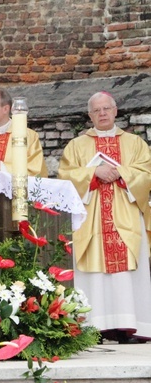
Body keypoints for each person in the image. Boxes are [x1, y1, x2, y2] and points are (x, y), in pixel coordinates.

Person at [58, 91, 151, 343]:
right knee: (94, 272)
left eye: (106, 109)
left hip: (126, 216)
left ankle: (131, 325)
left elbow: (146, 172)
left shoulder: (135, 143)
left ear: (115, 111)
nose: (102, 114)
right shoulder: (77, 146)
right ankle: (94, 326)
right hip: (92, 218)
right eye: (96, 110)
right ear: (89, 115)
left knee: (126, 273)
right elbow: (65, 176)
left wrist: (121, 172)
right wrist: (93, 173)